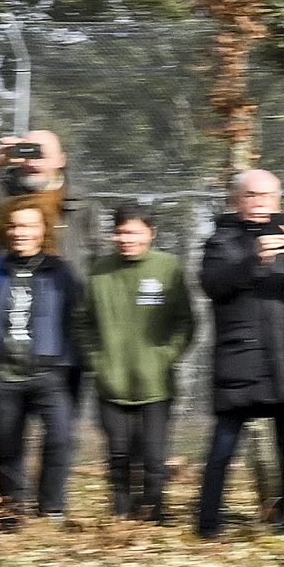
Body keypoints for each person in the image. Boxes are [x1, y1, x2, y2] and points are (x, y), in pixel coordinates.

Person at [196, 169, 284, 538]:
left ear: (278, 199)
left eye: (267, 195)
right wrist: (254, 259)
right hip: (240, 358)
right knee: (223, 445)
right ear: (236, 200)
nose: (259, 203)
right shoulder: (220, 240)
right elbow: (213, 286)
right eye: (251, 195)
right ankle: (208, 522)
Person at [78, 204, 196, 524]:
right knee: (119, 454)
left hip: (156, 383)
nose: (126, 239)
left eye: (133, 232)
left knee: (154, 455)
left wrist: (165, 356)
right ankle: (121, 513)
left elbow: (185, 321)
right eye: (120, 232)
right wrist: (97, 360)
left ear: (150, 233)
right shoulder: (98, 270)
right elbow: (82, 322)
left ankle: (153, 512)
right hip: (111, 381)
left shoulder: (168, 267)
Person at [0, 198, 81, 525]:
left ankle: (51, 510)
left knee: (60, 438)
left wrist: (69, 363)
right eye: (15, 226)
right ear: (6, 230)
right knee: (7, 446)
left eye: (30, 226)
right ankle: (11, 512)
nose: (21, 232)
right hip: (3, 375)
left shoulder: (61, 272)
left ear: (44, 230)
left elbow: (75, 320)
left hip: (50, 373)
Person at [0, 130, 101, 272]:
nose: (32, 163)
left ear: (61, 160)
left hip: (64, 283)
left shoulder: (82, 203)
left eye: (40, 156)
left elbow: (100, 252)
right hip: (12, 281)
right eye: (28, 155)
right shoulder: (7, 192)